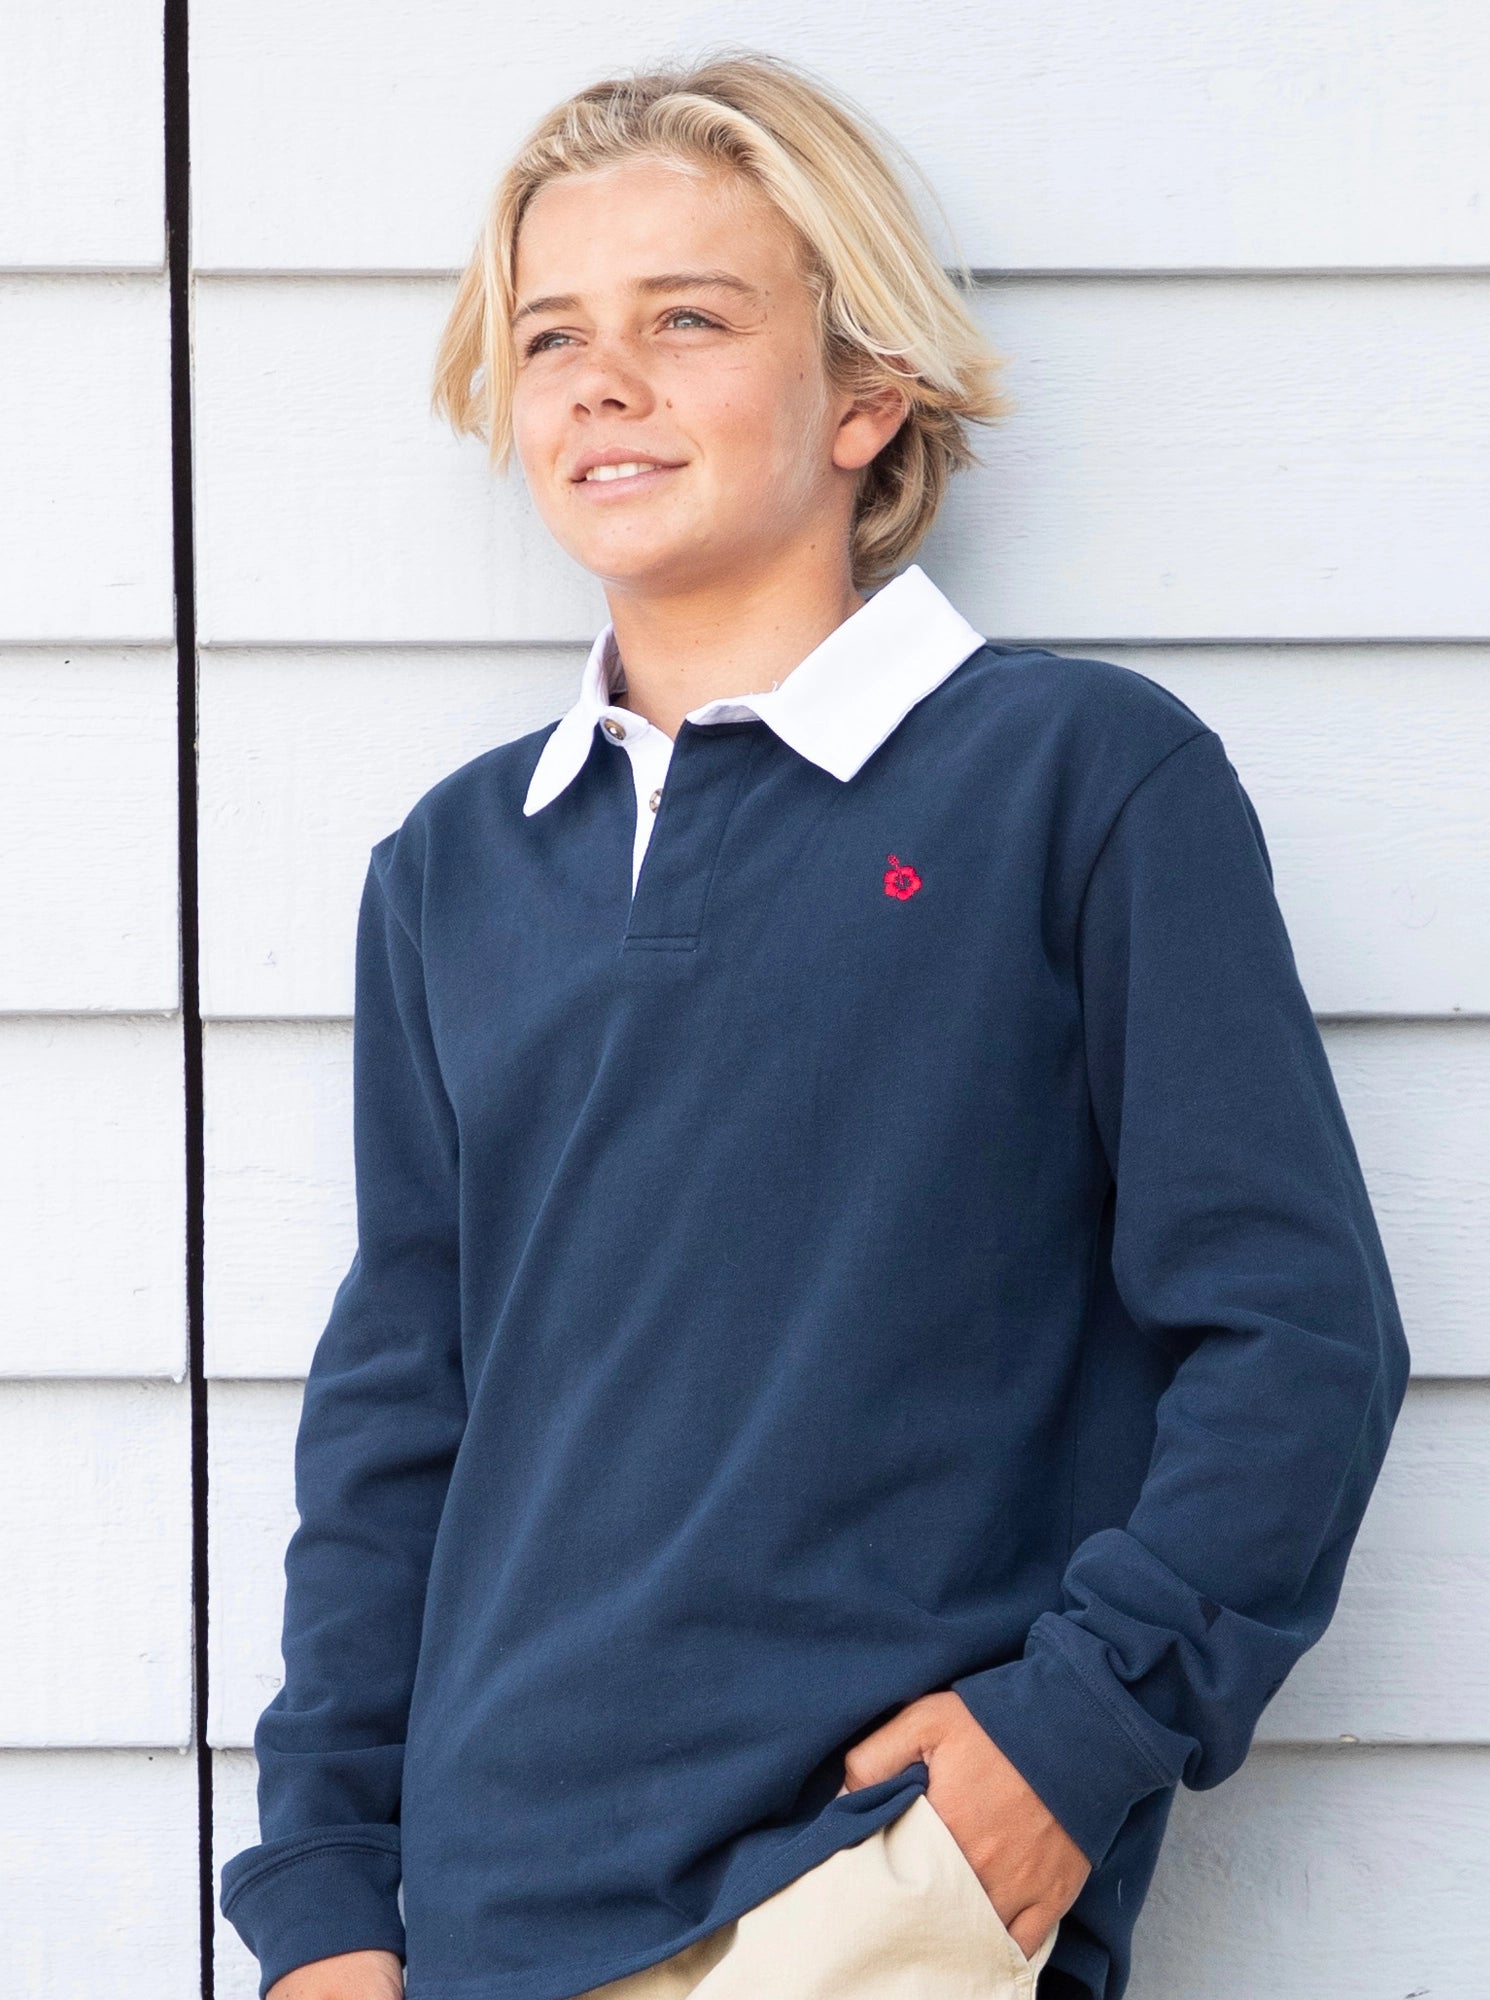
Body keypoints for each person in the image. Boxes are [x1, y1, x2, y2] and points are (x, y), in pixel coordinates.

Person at [218, 47, 1411, 2000]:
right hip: (488, 1927)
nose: (602, 379)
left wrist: (1064, 1750)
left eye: (686, 320)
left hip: (876, 1900)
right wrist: (325, 1899)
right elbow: (396, 1415)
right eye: (550, 336)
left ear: (866, 392)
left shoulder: (1073, 781)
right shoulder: (452, 871)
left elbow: (1294, 1332)